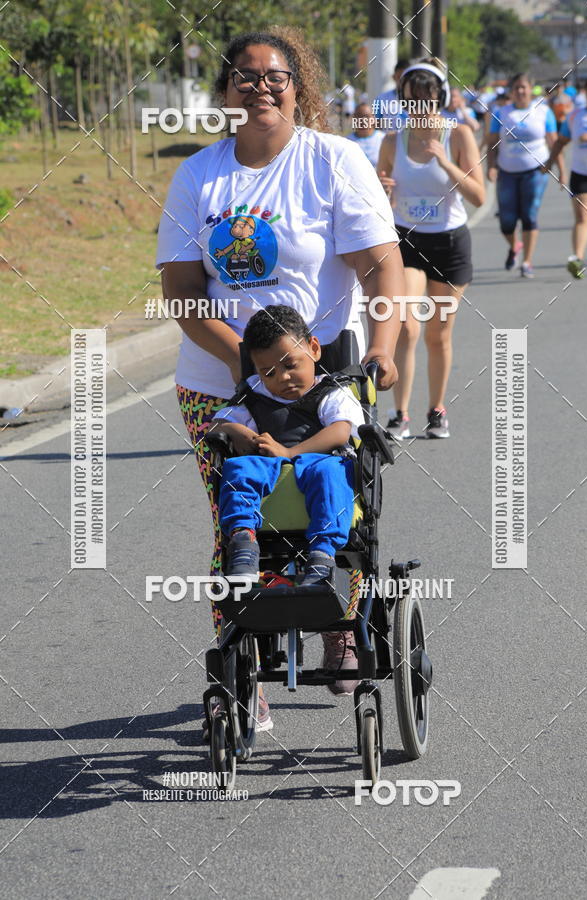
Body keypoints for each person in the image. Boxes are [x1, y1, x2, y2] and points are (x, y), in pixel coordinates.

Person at [156, 27, 403, 721]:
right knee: (239, 521)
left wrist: (382, 345)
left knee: (330, 499)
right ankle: (245, 677)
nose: (260, 86)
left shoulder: (333, 161)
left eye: (275, 76)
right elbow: (181, 291)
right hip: (219, 383)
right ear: (225, 90)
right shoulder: (199, 174)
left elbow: (382, 263)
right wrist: (251, 363)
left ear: (299, 88)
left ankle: (338, 624)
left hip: (322, 375)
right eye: (245, 75)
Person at [210, 306, 364, 592]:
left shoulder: (331, 392)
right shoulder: (254, 394)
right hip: (270, 469)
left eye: (290, 365)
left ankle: (321, 553)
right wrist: (237, 429)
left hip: (319, 462)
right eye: (268, 372)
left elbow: (340, 430)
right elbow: (216, 424)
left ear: (314, 349)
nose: (282, 378)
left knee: (331, 470)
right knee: (238, 467)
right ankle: (244, 539)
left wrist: (290, 453)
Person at [377, 59, 485, 440]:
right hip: (408, 240)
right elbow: (379, 199)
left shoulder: (458, 137)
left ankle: (436, 409)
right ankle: (400, 413)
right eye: (411, 102)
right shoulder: (392, 141)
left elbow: (478, 196)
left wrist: (446, 163)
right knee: (407, 326)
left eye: (427, 101)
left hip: (450, 242)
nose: (420, 109)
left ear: (439, 99)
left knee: (438, 334)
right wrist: (384, 190)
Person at [487, 72, 563, 278]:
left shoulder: (543, 111)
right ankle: (515, 246)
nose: (520, 91)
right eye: (517, 88)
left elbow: (554, 141)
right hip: (507, 172)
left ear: (531, 89)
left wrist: (559, 169)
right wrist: (491, 166)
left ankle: (527, 262)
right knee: (507, 221)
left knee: (529, 215)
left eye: (524, 87)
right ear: (511, 91)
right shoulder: (501, 112)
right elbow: (491, 142)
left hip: (535, 171)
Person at [544, 73, 587, 279]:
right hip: (583, 174)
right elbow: (561, 141)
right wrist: (550, 164)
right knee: (583, 216)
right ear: (586, 91)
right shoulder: (575, 115)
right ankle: (577, 259)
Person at [373, 56, 410, 131]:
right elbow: (375, 125)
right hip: (388, 141)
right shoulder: (380, 99)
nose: (402, 81)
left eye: (406, 78)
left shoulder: (418, 100)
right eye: (399, 77)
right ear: (393, 77)